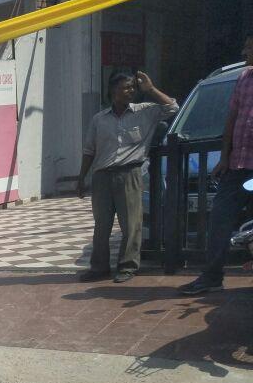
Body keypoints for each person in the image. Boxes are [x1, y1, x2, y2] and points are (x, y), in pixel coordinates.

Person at [76, 70, 178, 283]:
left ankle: (127, 266)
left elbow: (172, 107)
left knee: (131, 225)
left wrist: (150, 89)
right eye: (126, 87)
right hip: (102, 177)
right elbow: (89, 150)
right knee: (101, 226)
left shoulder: (145, 111)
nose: (131, 90)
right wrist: (81, 178)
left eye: (133, 87)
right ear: (113, 90)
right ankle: (99, 267)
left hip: (129, 174)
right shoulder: (99, 119)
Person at [179, 35, 253, 295]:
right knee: (220, 219)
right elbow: (232, 117)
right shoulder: (244, 78)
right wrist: (224, 157)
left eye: (249, 47)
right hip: (237, 166)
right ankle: (211, 276)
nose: (244, 51)